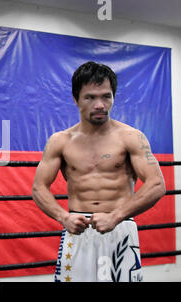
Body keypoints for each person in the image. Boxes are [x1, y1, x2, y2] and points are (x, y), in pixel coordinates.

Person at [32, 61, 166, 282]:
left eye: (106, 96)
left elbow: (157, 184)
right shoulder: (60, 141)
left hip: (119, 227)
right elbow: (39, 188)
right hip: (77, 231)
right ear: (76, 100)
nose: (100, 104)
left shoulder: (131, 137)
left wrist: (116, 216)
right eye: (90, 97)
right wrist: (63, 217)